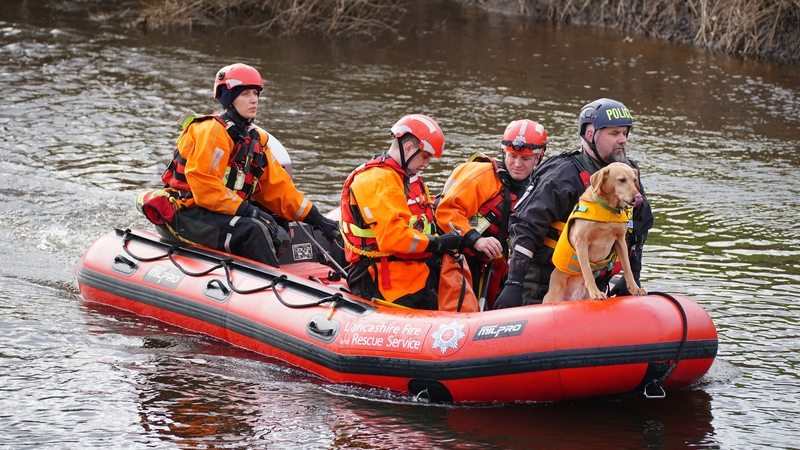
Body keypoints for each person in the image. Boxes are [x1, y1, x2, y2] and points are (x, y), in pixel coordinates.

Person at [136, 63, 339, 267]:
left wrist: (318, 219)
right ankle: (271, 286)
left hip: (214, 212)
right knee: (253, 229)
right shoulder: (212, 131)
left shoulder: (255, 139)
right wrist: (250, 211)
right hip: (187, 212)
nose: (254, 100)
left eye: (256, 94)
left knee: (277, 226)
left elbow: (279, 189)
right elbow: (205, 189)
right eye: (245, 94)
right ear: (229, 97)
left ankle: (255, 273)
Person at [493, 98, 654, 308]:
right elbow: (525, 228)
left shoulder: (629, 174)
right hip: (547, 283)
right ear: (590, 135)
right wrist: (513, 285)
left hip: (594, 286)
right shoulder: (563, 174)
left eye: (624, 133)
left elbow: (637, 230)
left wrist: (632, 276)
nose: (622, 140)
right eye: (614, 134)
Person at [340, 114, 462, 309]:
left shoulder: (400, 177)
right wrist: (438, 244)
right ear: (408, 148)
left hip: (410, 275)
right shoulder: (378, 179)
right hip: (383, 281)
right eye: (425, 156)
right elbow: (393, 237)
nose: (426, 164)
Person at [435, 119, 547, 310]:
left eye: (525, 159)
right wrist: (475, 239)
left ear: (538, 158)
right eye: (512, 156)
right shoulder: (483, 176)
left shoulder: (539, 185)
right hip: (457, 255)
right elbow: (446, 211)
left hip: (495, 260)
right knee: (461, 309)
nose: (517, 164)